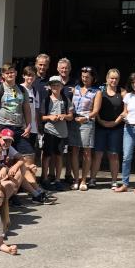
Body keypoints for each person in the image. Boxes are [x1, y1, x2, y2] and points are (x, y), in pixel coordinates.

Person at [0, 63, 35, 158]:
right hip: (3, 126)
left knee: (29, 155)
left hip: (19, 128)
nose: (10, 75)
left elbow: (27, 110)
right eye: (7, 73)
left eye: (12, 72)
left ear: (16, 73)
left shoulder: (22, 90)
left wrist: (29, 126)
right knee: (3, 157)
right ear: (3, 75)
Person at [69, 67, 102, 191]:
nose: (84, 79)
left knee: (87, 152)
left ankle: (84, 180)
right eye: (83, 77)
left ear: (93, 78)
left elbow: (96, 111)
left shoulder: (96, 91)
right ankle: (76, 179)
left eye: (87, 77)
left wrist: (85, 118)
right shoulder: (76, 88)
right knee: (74, 150)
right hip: (74, 121)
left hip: (87, 122)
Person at [92, 68, 125, 189]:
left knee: (114, 154)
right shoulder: (100, 91)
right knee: (98, 154)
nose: (114, 80)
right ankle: (93, 179)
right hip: (100, 126)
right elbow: (95, 108)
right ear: (107, 79)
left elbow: (126, 111)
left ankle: (114, 181)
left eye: (116, 78)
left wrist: (115, 123)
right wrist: (101, 121)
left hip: (116, 128)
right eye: (111, 78)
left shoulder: (122, 92)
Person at [40, 76, 73, 191]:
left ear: (61, 86)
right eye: (53, 85)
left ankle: (58, 180)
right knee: (47, 155)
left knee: (59, 156)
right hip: (49, 131)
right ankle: (44, 178)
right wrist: (50, 117)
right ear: (49, 87)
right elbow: (42, 117)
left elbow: (70, 116)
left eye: (57, 85)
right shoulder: (46, 100)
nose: (55, 87)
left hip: (62, 133)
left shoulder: (65, 100)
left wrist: (63, 116)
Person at [56, 57, 77, 185]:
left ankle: (68, 174)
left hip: (70, 121)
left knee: (70, 150)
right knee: (55, 150)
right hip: (55, 120)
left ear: (70, 69)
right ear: (58, 69)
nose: (64, 70)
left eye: (66, 68)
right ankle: (52, 174)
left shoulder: (75, 83)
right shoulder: (53, 81)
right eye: (62, 68)